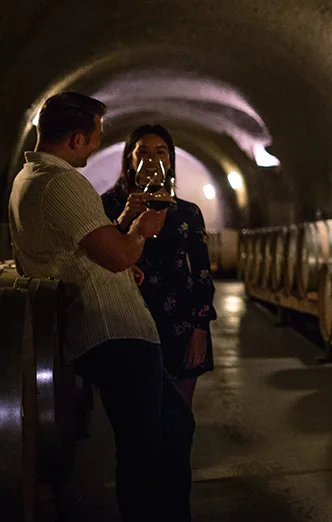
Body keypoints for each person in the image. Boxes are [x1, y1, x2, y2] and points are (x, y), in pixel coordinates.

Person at [8, 92, 194, 522]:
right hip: (114, 332)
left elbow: (84, 252)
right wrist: (142, 232)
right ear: (75, 139)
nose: (95, 145)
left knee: (173, 426)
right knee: (145, 448)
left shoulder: (27, 179)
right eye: (94, 137)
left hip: (105, 329)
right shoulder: (62, 182)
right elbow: (118, 256)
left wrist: (125, 227)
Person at [101, 124, 217, 408]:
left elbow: (202, 274)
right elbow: (100, 259)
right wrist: (126, 219)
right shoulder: (109, 205)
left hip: (179, 324)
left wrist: (200, 330)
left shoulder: (187, 212)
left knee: (178, 419)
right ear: (129, 158)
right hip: (127, 323)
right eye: (142, 152)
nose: (151, 160)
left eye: (160, 152)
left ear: (170, 160)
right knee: (135, 420)